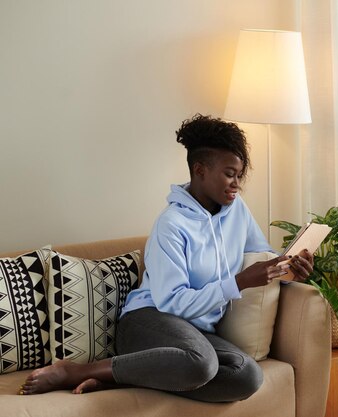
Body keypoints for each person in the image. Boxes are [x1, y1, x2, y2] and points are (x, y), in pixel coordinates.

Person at [19, 114, 314, 402]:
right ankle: (76, 371)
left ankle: (122, 379)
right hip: (148, 322)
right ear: (200, 170)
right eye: (228, 174)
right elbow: (172, 302)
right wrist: (237, 282)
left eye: (239, 175)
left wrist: (289, 267)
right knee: (201, 364)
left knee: (246, 376)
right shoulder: (171, 224)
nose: (236, 183)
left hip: (195, 334)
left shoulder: (237, 210)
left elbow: (261, 255)